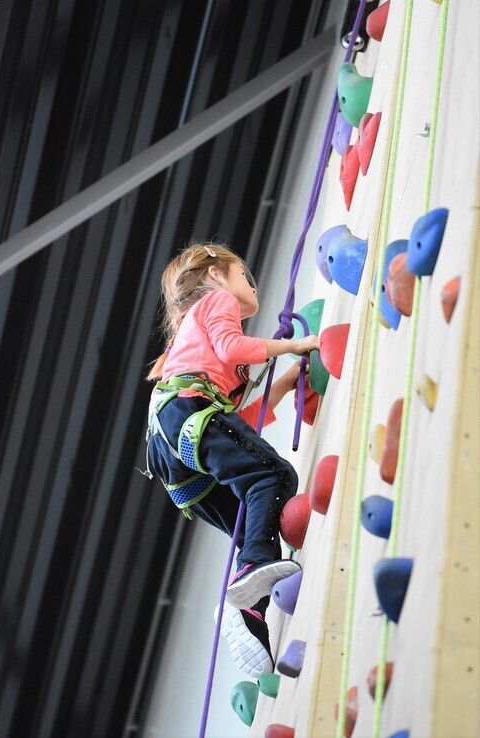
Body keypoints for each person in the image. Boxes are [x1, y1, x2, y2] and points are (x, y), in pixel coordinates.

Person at [145, 242, 319, 676]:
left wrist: (281, 384)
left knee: (253, 525)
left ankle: (247, 615)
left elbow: (234, 427)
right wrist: (295, 345)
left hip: (175, 455)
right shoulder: (215, 303)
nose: (252, 285)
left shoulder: (194, 348)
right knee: (275, 478)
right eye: (245, 274)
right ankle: (254, 568)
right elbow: (231, 346)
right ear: (216, 275)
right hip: (186, 413)